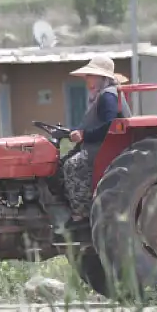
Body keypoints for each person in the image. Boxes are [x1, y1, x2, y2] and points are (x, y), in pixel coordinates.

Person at [60, 55, 129, 219]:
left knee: (72, 165)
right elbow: (92, 123)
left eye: (90, 75)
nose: (86, 78)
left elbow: (110, 125)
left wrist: (84, 135)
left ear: (102, 78)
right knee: (62, 161)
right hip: (99, 144)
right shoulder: (102, 95)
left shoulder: (108, 96)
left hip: (105, 147)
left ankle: (82, 213)